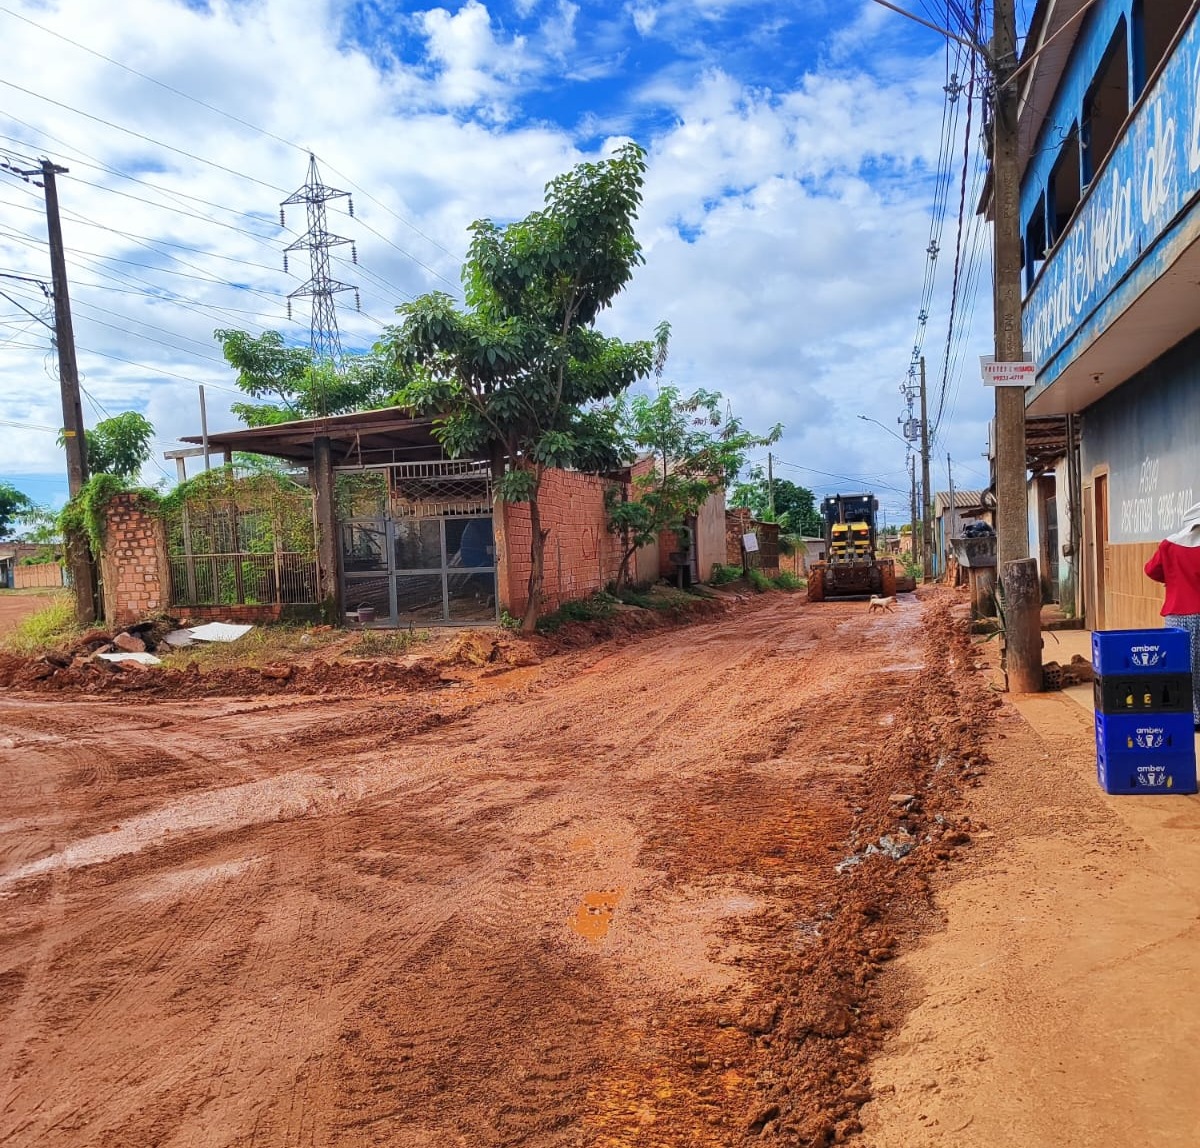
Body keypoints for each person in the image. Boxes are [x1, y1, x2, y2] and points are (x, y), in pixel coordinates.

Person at [1144, 502, 1200, 729]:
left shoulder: (1170, 544)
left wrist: (1172, 580)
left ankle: (1185, 713)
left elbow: (1150, 570)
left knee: (1179, 664)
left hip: (1175, 613)